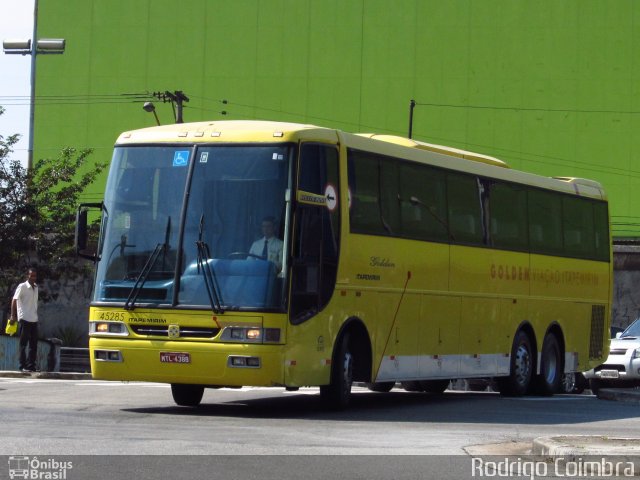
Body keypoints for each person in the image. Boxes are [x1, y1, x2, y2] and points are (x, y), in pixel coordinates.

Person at [8, 268, 40, 373]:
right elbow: (14, 300)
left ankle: (31, 366)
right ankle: (22, 365)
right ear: (28, 276)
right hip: (24, 318)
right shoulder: (22, 286)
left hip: (34, 319)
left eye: (35, 276)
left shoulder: (36, 287)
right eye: (31, 275)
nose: (33, 278)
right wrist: (13, 315)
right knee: (23, 344)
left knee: (33, 344)